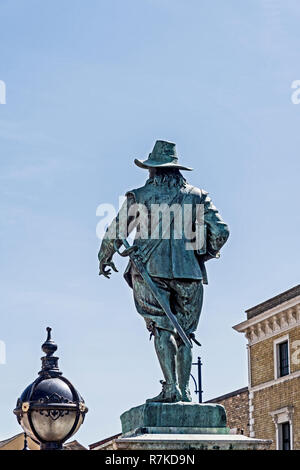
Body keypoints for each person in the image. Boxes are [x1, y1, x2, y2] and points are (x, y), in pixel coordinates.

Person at [98, 140, 229, 403]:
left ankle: (172, 388)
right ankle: (185, 391)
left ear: (154, 171)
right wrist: (199, 254)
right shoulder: (198, 196)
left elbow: (116, 230)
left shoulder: (140, 196)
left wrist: (104, 256)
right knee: (185, 333)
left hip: (149, 271)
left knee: (162, 329)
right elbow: (221, 232)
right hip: (188, 273)